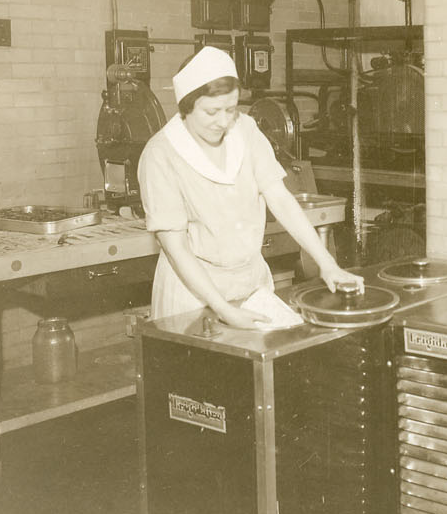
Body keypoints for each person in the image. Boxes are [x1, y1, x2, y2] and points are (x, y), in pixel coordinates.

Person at [137, 45, 362, 327]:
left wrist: (327, 264)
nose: (223, 121)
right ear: (185, 107)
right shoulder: (161, 154)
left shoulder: (245, 129)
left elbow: (280, 198)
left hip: (250, 283)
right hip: (193, 295)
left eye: (230, 109)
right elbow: (175, 247)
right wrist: (223, 309)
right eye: (211, 111)